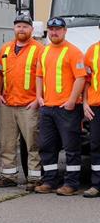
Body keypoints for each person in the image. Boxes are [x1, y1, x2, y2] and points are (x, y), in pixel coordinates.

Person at [34, 17, 85, 196]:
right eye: (51, 29)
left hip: (68, 108)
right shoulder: (44, 51)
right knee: (47, 146)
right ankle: (49, 180)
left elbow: (81, 78)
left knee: (71, 148)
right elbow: (39, 75)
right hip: (47, 107)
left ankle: (71, 184)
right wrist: (39, 97)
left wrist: (72, 100)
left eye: (58, 29)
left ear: (65, 31)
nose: (54, 32)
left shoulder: (74, 52)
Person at [0, 13, 43, 191]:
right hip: (7, 103)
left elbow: (44, 77)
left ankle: (34, 178)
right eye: (18, 26)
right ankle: (8, 175)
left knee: (32, 143)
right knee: (6, 143)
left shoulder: (39, 49)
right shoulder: (5, 49)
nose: (21, 29)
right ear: (13, 28)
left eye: (25, 26)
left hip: (29, 104)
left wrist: (38, 99)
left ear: (31, 29)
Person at [83, 28, 100, 198]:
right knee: (96, 145)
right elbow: (86, 81)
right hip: (96, 107)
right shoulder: (92, 51)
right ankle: (97, 185)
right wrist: (85, 103)